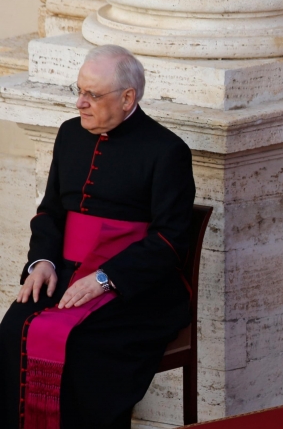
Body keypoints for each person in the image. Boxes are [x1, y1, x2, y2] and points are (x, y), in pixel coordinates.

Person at [0, 45, 195, 429]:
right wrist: (41, 262)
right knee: (13, 330)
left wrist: (107, 279)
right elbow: (51, 212)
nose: (80, 103)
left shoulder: (167, 150)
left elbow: (171, 239)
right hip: (66, 270)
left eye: (92, 94)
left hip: (135, 287)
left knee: (82, 346)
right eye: (79, 90)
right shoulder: (70, 134)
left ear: (128, 98)